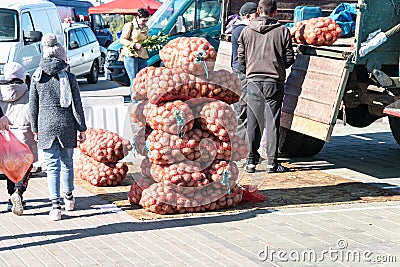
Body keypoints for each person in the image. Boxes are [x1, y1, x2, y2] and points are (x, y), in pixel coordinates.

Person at [29, 33, 87, 221]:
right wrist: (82, 127)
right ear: (61, 56)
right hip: (66, 124)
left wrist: (35, 128)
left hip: (45, 125)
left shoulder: (37, 76)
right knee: (67, 162)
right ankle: (69, 197)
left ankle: (55, 206)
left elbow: (33, 106)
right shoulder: (69, 76)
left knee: (52, 166)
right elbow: (76, 105)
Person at [238, 0, 294, 173]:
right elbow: (290, 58)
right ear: (275, 11)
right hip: (274, 82)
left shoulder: (246, 31)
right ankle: (272, 163)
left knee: (253, 122)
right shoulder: (283, 31)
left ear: (259, 10)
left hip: (253, 81)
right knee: (272, 123)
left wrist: (252, 67)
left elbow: (241, 58)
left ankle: (250, 162)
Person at [0, 62, 38, 215]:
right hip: (24, 133)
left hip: (5, 135)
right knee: (25, 166)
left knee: (10, 167)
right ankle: (18, 193)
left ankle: (11, 198)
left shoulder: (0, 92)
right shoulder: (28, 92)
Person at [231, 2, 259, 142]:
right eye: (256, 15)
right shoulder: (242, 30)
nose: (259, 18)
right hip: (242, 75)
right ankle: (240, 147)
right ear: (248, 16)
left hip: (240, 74)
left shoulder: (238, 29)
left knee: (243, 111)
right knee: (242, 112)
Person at [120, 8, 150, 98]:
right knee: (134, 80)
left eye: (146, 20)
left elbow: (146, 39)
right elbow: (122, 40)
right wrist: (133, 45)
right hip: (131, 56)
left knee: (143, 79)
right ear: (137, 18)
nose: (145, 22)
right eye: (143, 20)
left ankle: (142, 100)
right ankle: (134, 102)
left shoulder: (146, 28)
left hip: (142, 56)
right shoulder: (130, 25)